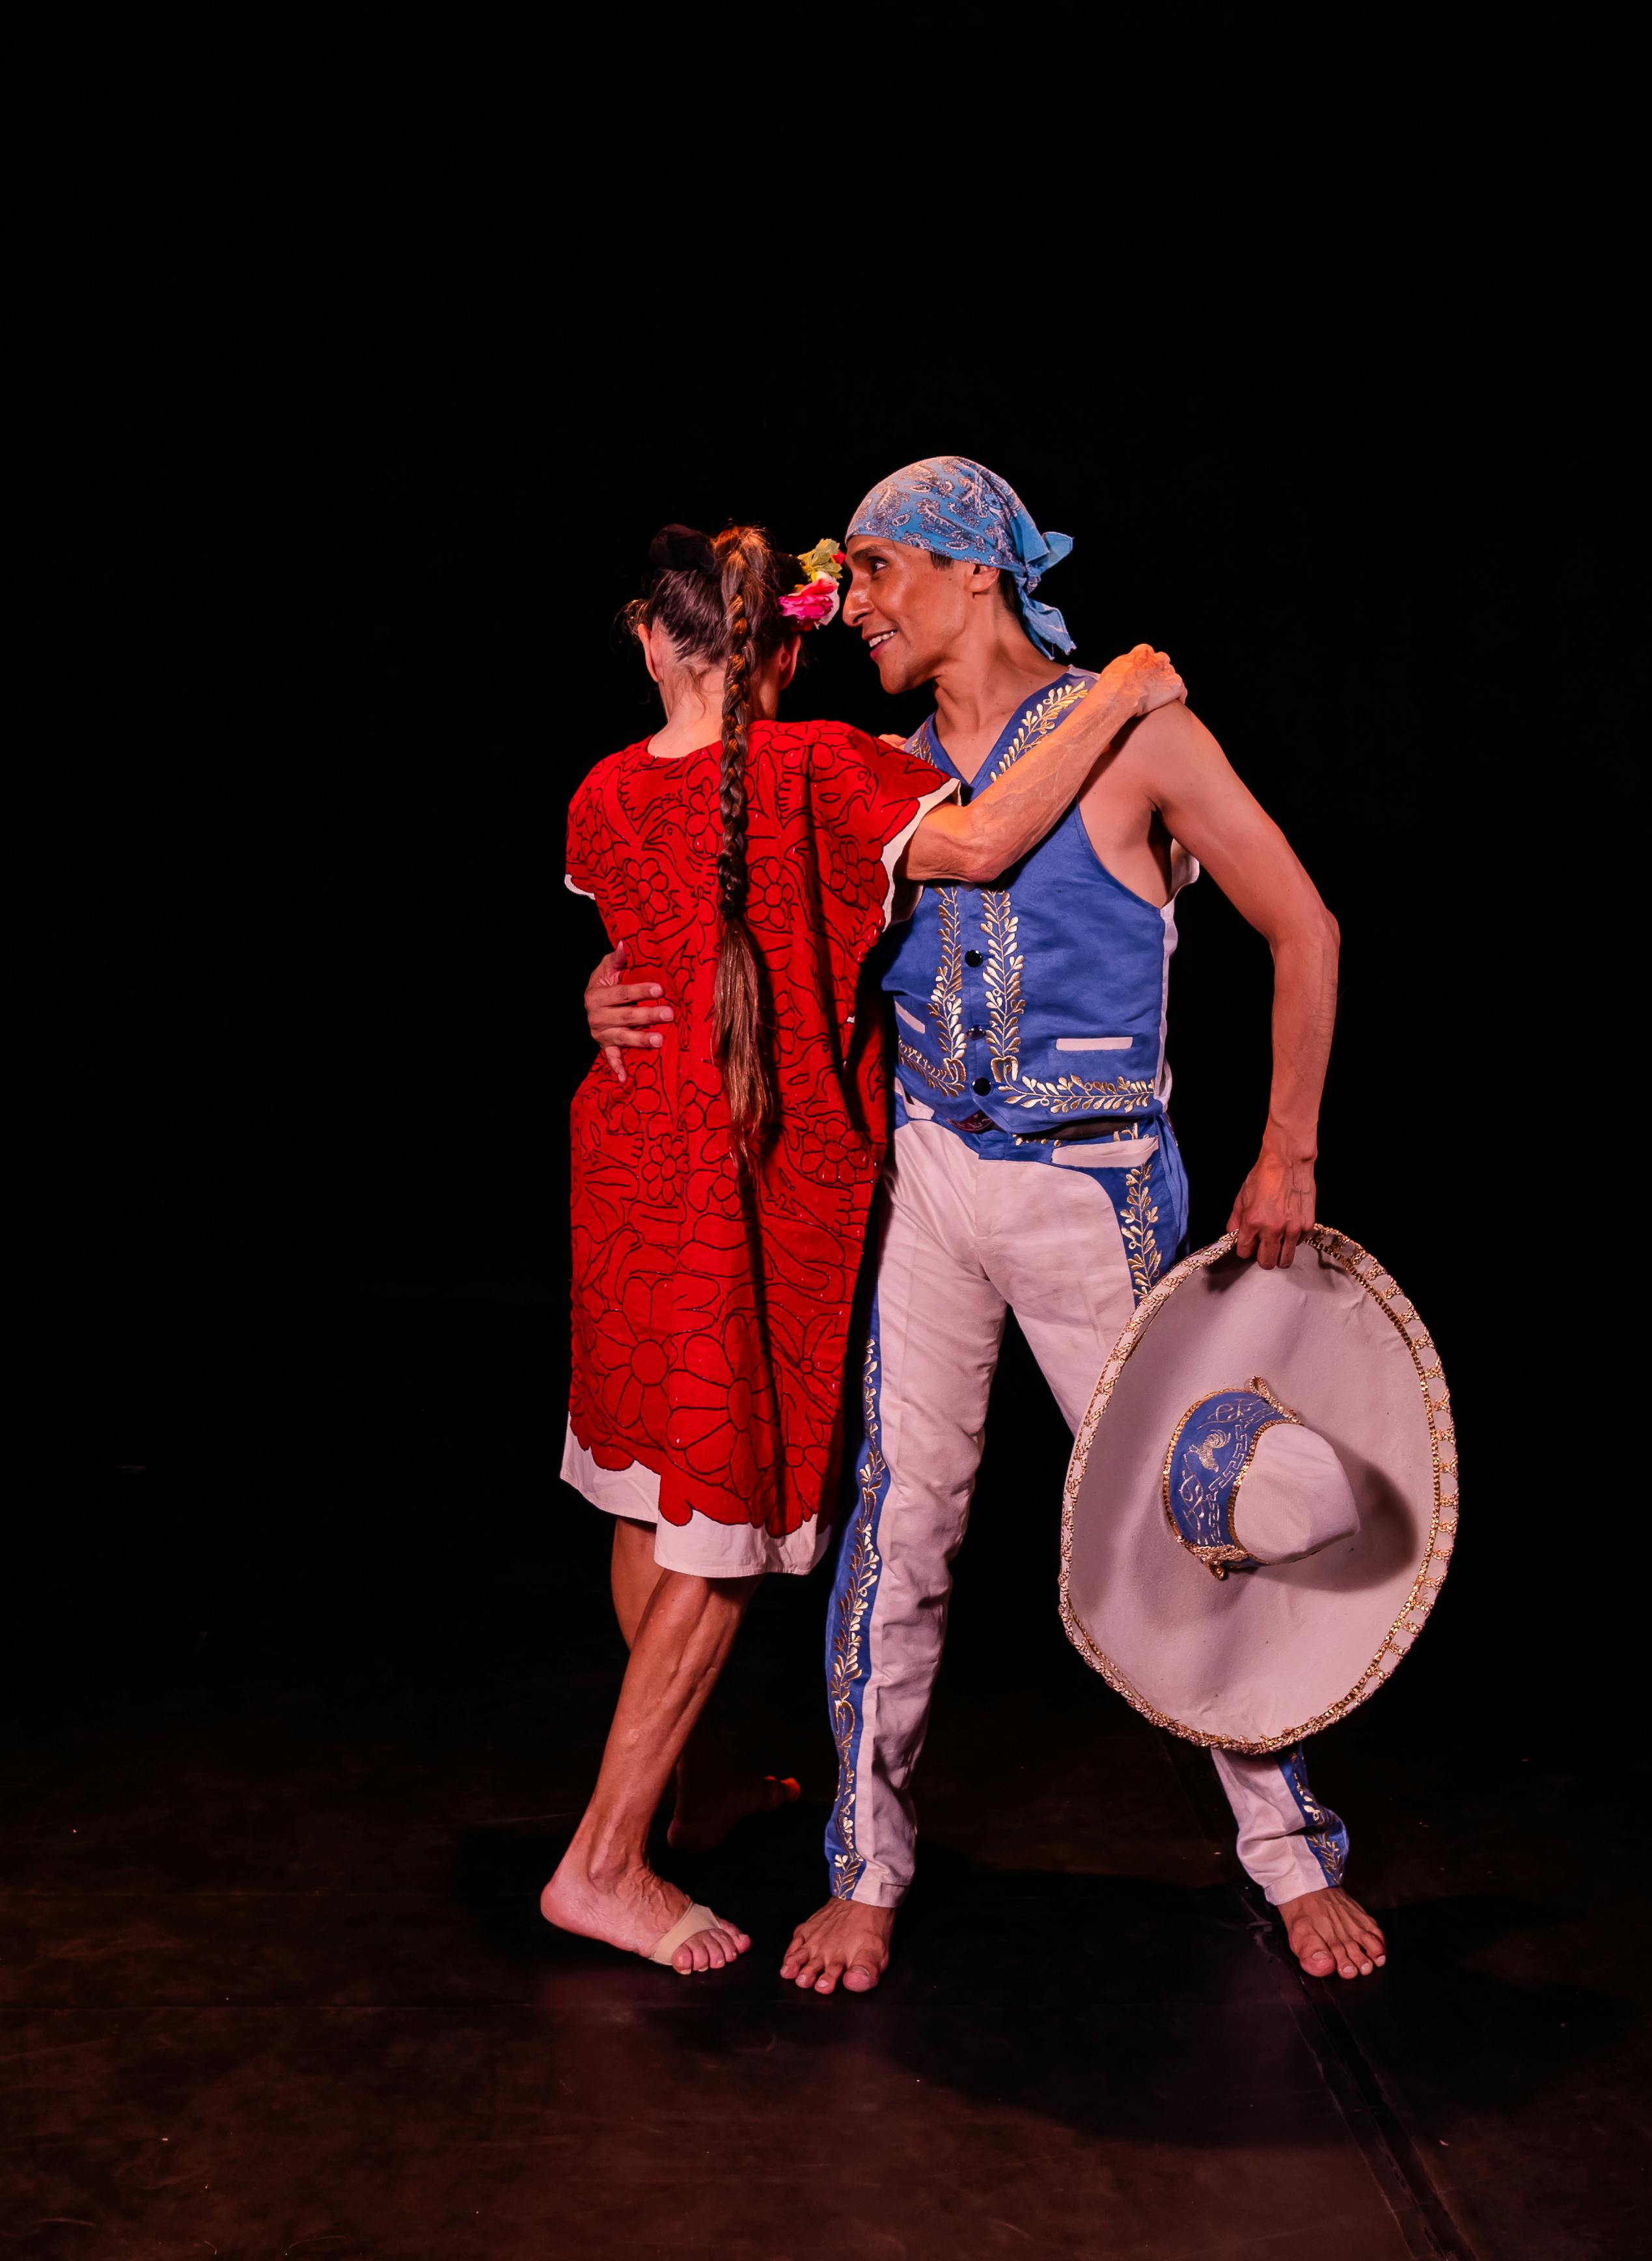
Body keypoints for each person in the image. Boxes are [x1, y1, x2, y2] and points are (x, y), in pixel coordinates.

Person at [586, 459, 1385, 1993]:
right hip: (933, 1176)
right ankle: (866, 1869)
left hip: (1098, 1189)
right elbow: (718, 917)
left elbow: (1307, 924)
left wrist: (1287, 1150)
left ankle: (1291, 1849)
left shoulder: (1140, 735)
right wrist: (603, 991)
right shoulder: (877, 772)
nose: (854, 606)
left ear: (974, 571)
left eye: (879, 569)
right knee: (901, 1530)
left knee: (1197, 1513)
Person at [545, 516, 1184, 1973]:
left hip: (628, 1170)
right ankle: (603, 1859)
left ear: (648, 640)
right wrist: (1119, 690)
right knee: (718, 1533)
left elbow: (653, 948)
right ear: (785, 648)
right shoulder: (820, 767)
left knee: (649, 1503)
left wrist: (599, 997)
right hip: (739, 1191)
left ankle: (691, 1788)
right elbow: (989, 839)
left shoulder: (600, 791)